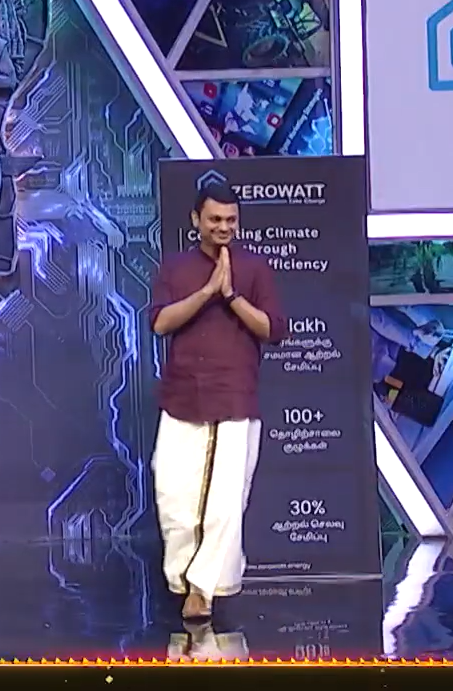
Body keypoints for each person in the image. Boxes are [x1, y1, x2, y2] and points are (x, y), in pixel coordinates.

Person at [147, 183, 287, 623]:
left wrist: (230, 296)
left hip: (235, 395)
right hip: (183, 394)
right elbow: (160, 322)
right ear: (196, 220)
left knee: (225, 503)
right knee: (174, 497)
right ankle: (183, 579)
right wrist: (207, 291)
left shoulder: (254, 268)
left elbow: (272, 329)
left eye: (230, 220)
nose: (223, 227)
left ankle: (203, 589)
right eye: (215, 219)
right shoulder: (176, 268)